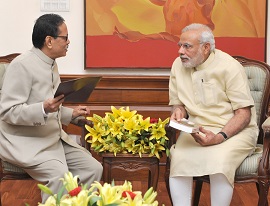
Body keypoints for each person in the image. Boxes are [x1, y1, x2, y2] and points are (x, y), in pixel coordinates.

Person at [0, 14, 103, 202]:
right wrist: (43, 108)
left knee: (93, 168)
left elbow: (49, 106)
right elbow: (8, 112)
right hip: (27, 142)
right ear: (49, 41)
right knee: (61, 177)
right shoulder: (21, 65)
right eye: (65, 37)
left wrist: (71, 113)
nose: (68, 42)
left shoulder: (51, 63)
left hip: (53, 138)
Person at [168, 23, 258, 206]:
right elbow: (178, 103)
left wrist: (219, 137)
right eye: (180, 45)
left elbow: (243, 114)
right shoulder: (178, 65)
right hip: (198, 129)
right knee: (179, 159)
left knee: (219, 161)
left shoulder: (229, 67)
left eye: (187, 46)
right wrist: (178, 111)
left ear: (206, 47)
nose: (180, 51)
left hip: (235, 130)